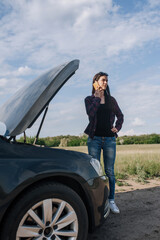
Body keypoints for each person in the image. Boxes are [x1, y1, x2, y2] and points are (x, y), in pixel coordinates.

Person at [84, 72, 124, 214]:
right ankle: (96, 202)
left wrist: (117, 127)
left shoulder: (111, 100)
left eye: (107, 80)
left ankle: (111, 200)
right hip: (94, 140)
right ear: (95, 82)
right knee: (95, 172)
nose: (105, 82)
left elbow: (120, 115)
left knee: (109, 172)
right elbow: (91, 114)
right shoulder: (89, 99)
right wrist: (97, 97)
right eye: (103, 80)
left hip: (109, 140)